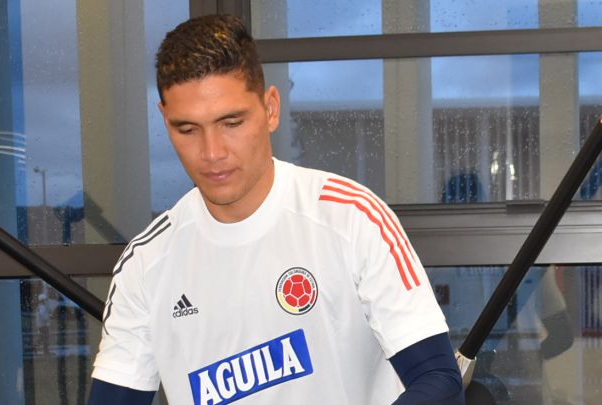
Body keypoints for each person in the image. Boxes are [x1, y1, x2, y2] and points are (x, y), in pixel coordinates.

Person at [89, 14, 463, 405]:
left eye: (231, 123)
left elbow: (440, 381)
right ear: (165, 121)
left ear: (270, 108)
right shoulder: (146, 264)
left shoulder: (352, 218)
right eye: (188, 129)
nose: (212, 152)